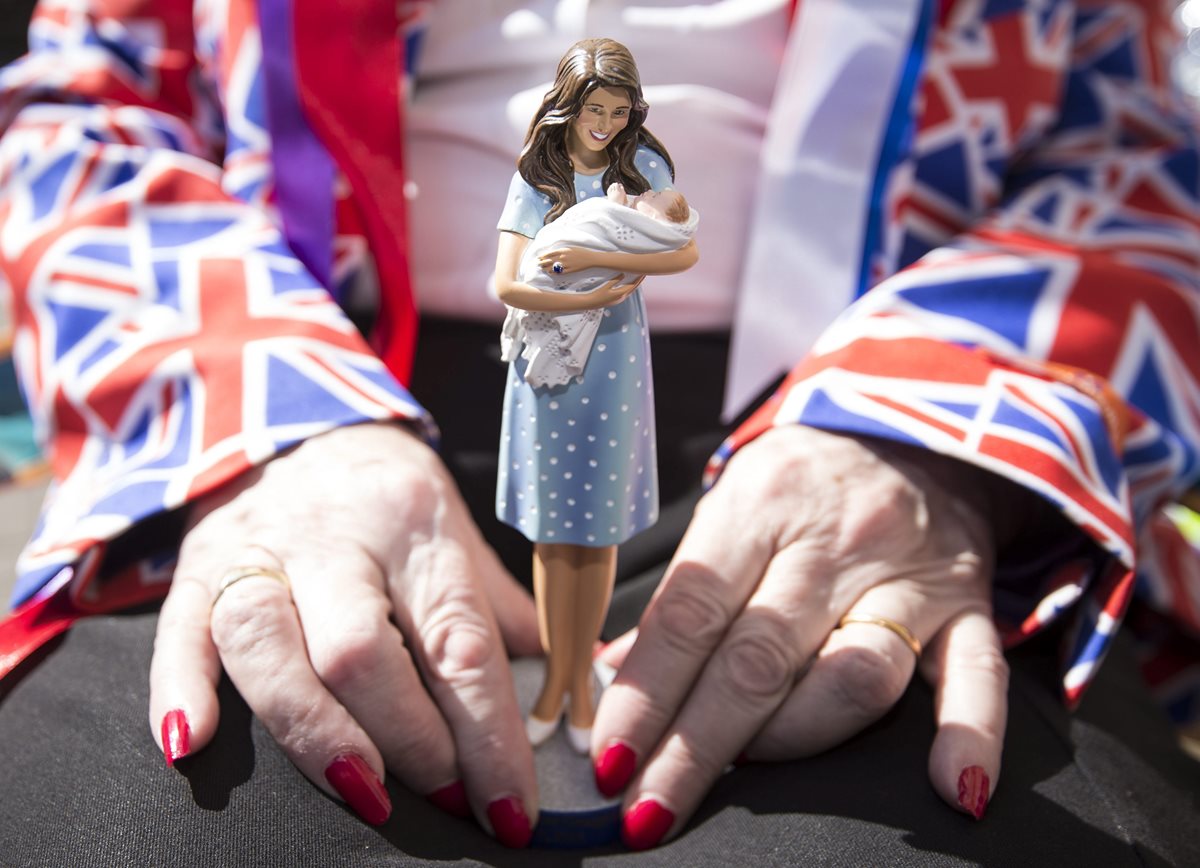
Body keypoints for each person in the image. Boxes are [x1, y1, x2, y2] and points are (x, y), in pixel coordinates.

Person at [0, 0, 1197, 864]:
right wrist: (263, 421)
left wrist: (936, 437)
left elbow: (1142, 154)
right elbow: (78, 114)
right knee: (148, 821)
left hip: (874, 460)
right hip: (309, 429)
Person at [492, 38, 699, 753]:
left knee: (599, 527)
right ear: (568, 105)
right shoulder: (536, 173)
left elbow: (681, 250)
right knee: (555, 534)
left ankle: (583, 679)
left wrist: (593, 258)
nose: (605, 123)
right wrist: (566, 282)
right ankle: (559, 679)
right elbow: (506, 286)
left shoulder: (643, 164)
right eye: (594, 109)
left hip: (614, 355)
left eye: (617, 110)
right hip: (548, 360)